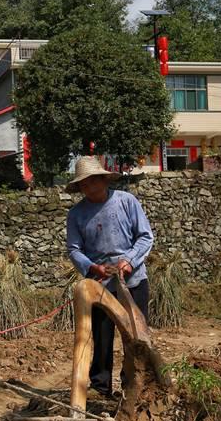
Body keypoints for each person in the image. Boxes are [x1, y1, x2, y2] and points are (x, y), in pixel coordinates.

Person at [65, 156, 154, 398]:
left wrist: (129, 262)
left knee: (136, 335)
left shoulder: (126, 202)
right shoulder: (77, 214)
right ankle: (100, 386)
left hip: (133, 280)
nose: (90, 186)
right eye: (84, 183)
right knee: (102, 338)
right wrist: (93, 268)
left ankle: (135, 382)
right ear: (80, 187)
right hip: (100, 284)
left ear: (104, 180)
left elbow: (145, 237)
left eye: (94, 180)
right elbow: (74, 249)